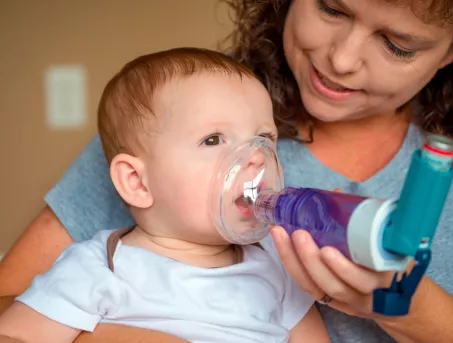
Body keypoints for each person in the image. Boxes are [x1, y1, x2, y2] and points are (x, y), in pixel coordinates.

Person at [0, 0, 453, 342]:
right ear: (136, 181)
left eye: (397, 44)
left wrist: (412, 310)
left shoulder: (271, 270)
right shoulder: (98, 266)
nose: (342, 60)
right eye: (333, 9)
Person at [0, 48, 329, 343]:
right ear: (137, 183)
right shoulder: (99, 269)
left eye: (264, 137)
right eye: (213, 140)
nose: (256, 156)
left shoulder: (275, 264)